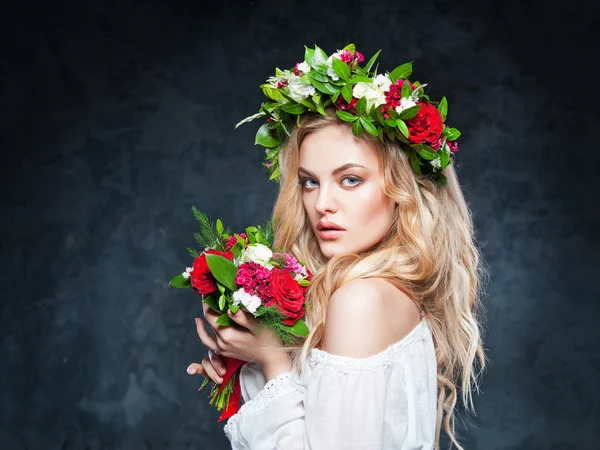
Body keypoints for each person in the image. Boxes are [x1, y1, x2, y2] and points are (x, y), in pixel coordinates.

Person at [186, 45, 487, 449]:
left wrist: (273, 361)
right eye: (310, 181)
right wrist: (250, 369)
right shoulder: (389, 292)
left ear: (401, 189)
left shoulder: (360, 300)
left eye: (349, 179)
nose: (321, 203)